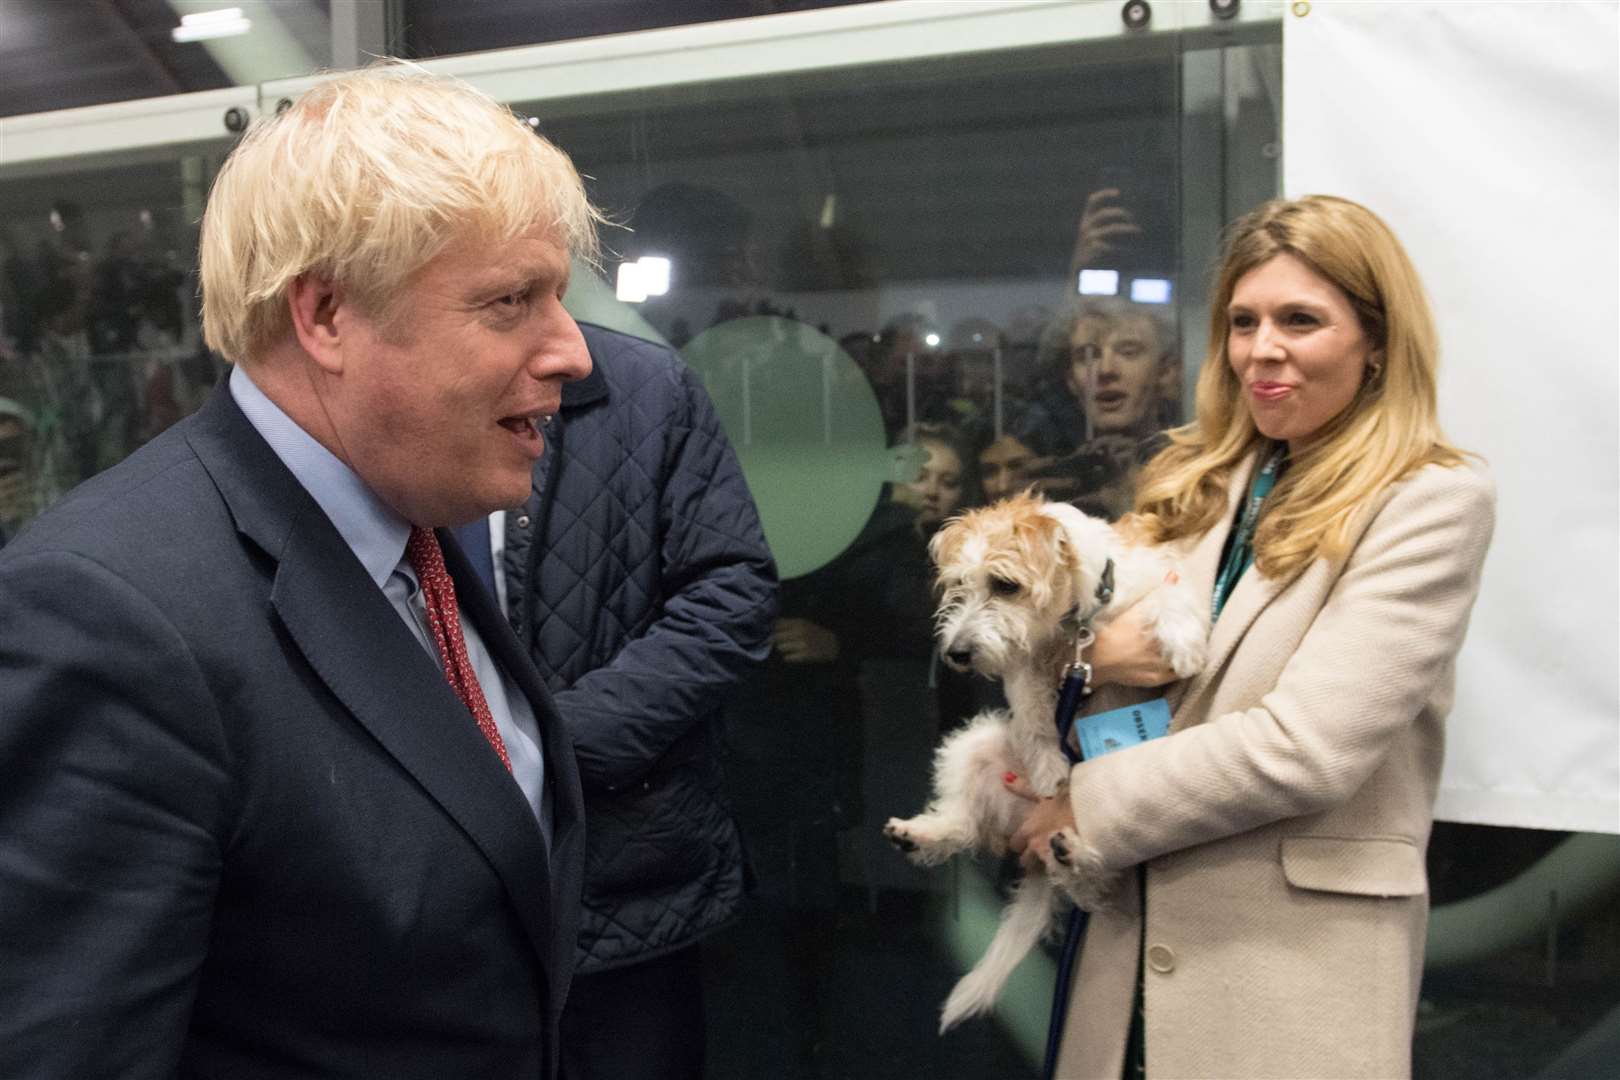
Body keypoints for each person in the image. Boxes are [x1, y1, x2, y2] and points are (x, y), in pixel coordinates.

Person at [0, 62, 600, 1078]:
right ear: (324, 315)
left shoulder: (419, 522)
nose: (573, 351)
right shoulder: (110, 616)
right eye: (509, 302)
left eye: (559, 297)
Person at [1009, 195, 1496, 1078]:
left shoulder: (1430, 499)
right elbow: (1067, 639)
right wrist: (1082, 658)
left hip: (1288, 967)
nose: (1261, 349)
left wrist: (1088, 803)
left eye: (1300, 320)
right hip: (1127, 951)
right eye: (1243, 321)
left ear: (1378, 341)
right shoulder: (1194, 480)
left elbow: (1308, 747)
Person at [451, 322, 777, 1080]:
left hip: (626, 871)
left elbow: (732, 592)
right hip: (427, 898)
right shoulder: (375, 391)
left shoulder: (643, 386)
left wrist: (557, 748)